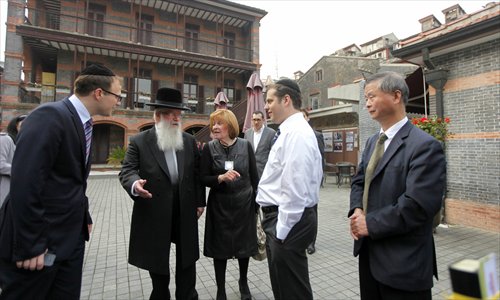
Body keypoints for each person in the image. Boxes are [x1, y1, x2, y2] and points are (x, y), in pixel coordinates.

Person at [0, 64, 121, 299]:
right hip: (39, 246)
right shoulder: (50, 116)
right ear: (99, 93)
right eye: (117, 95)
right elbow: (25, 182)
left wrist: (84, 215)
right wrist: (31, 245)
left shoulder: (82, 122)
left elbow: (70, 179)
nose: (118, 101)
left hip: (70, 239)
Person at [349, 71, 446, 300]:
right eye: (365, 98)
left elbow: (417, 206)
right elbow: (360, 180)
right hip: (370, 257)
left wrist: (368, 224)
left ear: (395, 96)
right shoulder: (374, 141)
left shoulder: (424, 146)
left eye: (372, 96)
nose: (367, 104)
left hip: (404, 265)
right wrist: (357, 210)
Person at [119, 87, 206, 300]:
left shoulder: (188, 140)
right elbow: (127, 169)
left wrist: (200, 201)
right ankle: (160, 294)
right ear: (157, 115)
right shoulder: (140, 141)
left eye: (178, 114)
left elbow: (197, 174)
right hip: (155, 209)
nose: (176, 118)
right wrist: (134, 184)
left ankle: (187, 295)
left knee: (187, 259)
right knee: (157, 258)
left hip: (184, 208)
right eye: (170, 113)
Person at [256, 78, 323, 300]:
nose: (266, 107)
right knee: (285, 289)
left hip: (287, 222)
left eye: (269, 100)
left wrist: (281, 232)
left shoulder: (297, 133)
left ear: (286, 100)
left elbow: (295, 187)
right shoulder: (289, 131)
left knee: (292, 291)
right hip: (283, 221)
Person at [200, 109, 259, 300]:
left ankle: (243, 281)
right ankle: (221, 290)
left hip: (244, 204)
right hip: (220, 207)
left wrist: (257, 204)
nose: (215, 127)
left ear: (230, 126)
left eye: (219, 123)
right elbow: (202, 178)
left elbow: (254, 177)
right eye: (213, 124)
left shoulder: (245, 146)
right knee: (220, 250)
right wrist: (220, 177)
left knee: (244, 248)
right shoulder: (209, 148)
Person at [301, 108, 325, 255]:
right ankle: (302, 238)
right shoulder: (294, 135)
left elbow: (321, 159)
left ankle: (311, 242)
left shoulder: (316, 135)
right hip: (298, 182)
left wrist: (318, 180)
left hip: (311, 182)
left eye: (303, 116)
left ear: (308, 118)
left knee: (312, 212)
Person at [0, 115, 26, 207]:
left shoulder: (23, 143)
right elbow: (0, 165)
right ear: (14, 126)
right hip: (4, 188)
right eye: (22, 126)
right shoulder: (5, 139)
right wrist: (21, 170)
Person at [244, 110, 276, 178]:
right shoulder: (247, 133)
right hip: (250, 172)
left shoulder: (271, 133)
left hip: (265, 172)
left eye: (258, 120)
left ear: (263, 120)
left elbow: (274, 154)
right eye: (254, 119)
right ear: (251, 120)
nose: (256, 122)